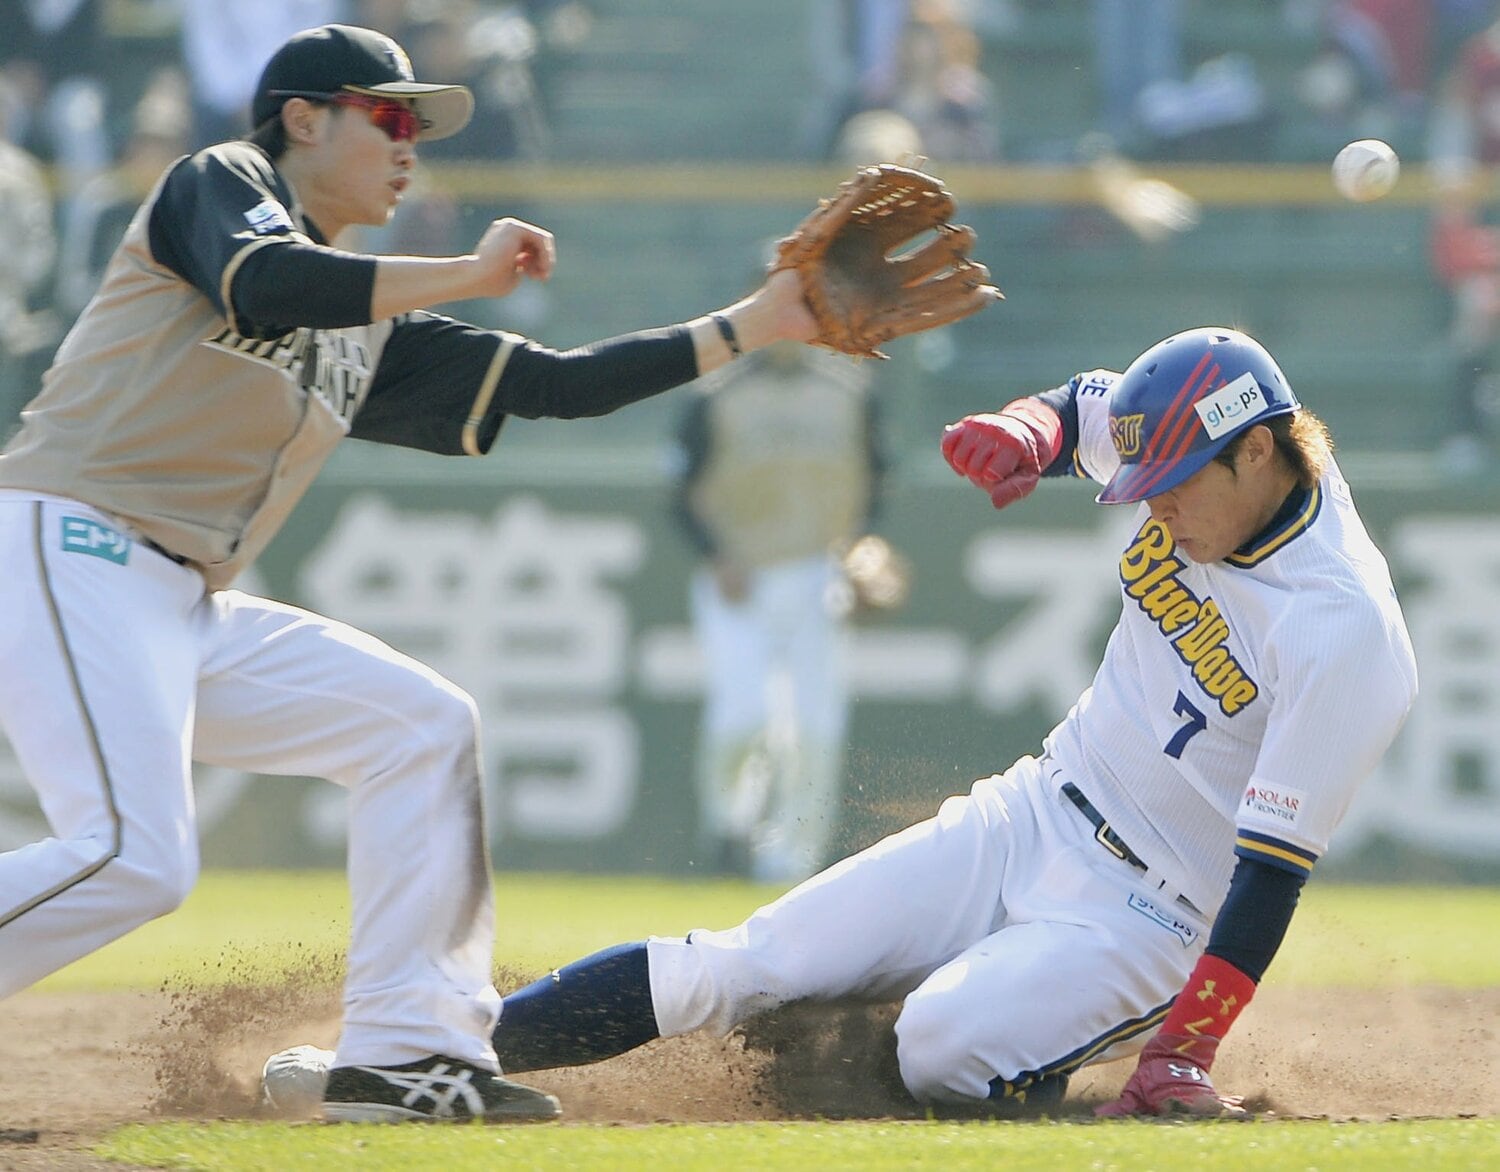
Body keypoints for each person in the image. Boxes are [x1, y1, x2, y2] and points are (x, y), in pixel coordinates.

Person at [0, 22, 830, 1126]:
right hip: (69, 541)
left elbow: (558, 384)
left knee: (420, 724)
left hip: (177, 598)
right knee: (134, 856)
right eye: (389, 117)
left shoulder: (366, 330)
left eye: (419, 128)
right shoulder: (222, 184)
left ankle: (405, 1052)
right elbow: (269, 279)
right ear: (304, 119)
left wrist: (757, 323)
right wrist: (471, 269)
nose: (410, 146)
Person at [263, 325, 1418, 1117]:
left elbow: (1269, 874)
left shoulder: (1342, 630)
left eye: (1173, 481)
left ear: (1260, 448)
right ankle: (430, 1059)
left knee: (937, 1047)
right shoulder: (1207, 443)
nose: (1150, 499)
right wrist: (1026, 432)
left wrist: (1187, 1048)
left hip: (1152, 916)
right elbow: (1083, 412)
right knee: (753, 959)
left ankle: (1092, 1030)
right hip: (1032, 810)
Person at [673, 340, 886, 883]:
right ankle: (728, 824)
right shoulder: (716, 394)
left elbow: (876, 480)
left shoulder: (851, 391)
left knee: (816, 726)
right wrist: (714, 554)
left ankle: (790, 864)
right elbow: (681, 490)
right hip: (739, 573)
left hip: (820, 571)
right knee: (743, 716)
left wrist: (862, 555)